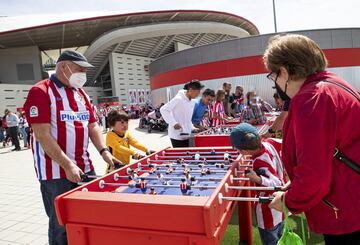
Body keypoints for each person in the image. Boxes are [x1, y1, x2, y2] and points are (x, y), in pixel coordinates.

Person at [263, 34, 360, 244]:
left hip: (347, 209)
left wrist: (290, 201)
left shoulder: (311, 97)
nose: (276, 82)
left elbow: (314, 173)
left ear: (284, 71)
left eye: (273, 75)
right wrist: (295, 184)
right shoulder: (333, 84)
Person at [23, 50, 121, 245]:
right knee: (60, 225)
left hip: (84, 167)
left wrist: (104, 153)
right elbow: (42, 134)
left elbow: (92, 125)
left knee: (88, 216)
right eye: (79, 69)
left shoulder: (81, 94)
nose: (83, 74)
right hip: (56, 173)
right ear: (63, 67)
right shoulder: (41, 91)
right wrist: (67, 165)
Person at [230, 123, 286, 245]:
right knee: (281, 238)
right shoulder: (269, 142)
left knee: (271, 241)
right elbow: (286, 143)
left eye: (238, 150)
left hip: (268, 210)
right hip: (281, 207)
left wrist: (258, 179)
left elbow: (277, 183)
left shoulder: (259, 162)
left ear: (244, 150)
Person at [160, 80, 203, 147]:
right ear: (191, 90)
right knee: (180, 156)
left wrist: (192, 128)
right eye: (197, 93)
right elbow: (163, 109)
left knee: (188, 155)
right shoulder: (178, 99)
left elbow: (187, 118)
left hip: (187, 134)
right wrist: (173, 123)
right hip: (176, 135)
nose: (198, 95)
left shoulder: (192, 101)